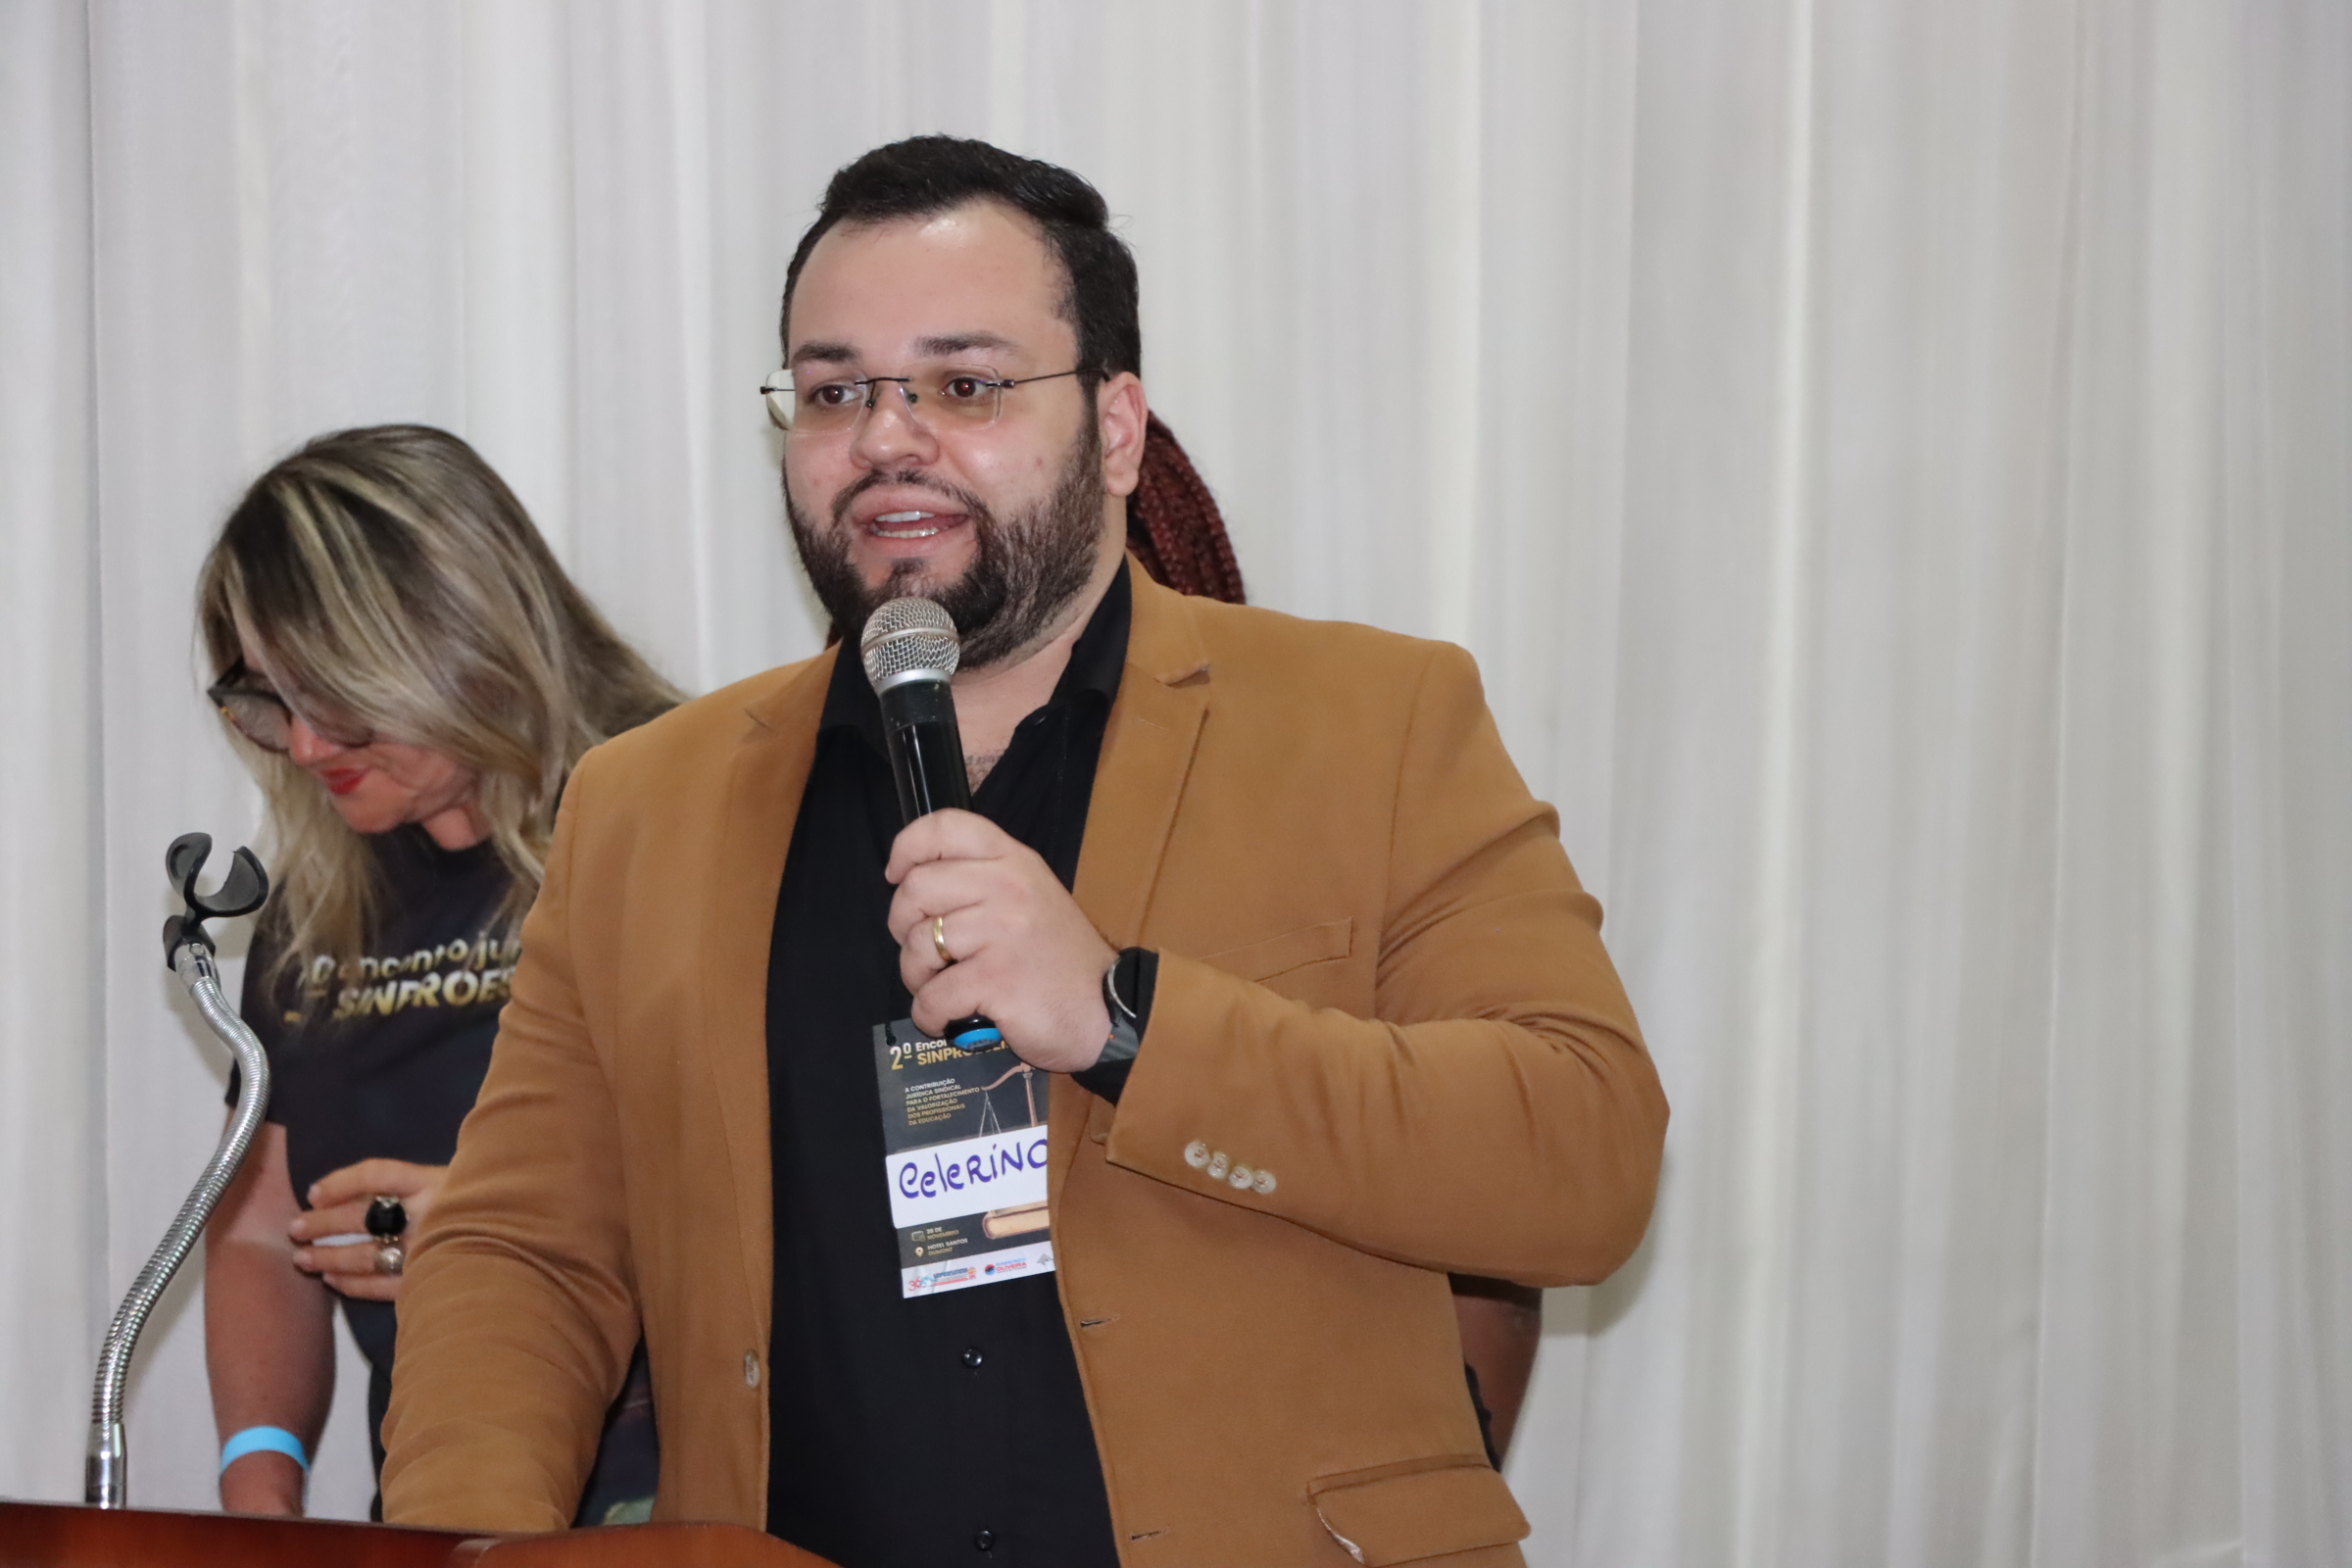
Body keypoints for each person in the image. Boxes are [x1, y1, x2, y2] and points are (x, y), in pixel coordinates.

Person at [382, 139, 1668, 1567]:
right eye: (834, 391)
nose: (887, 439)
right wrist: (469, 1545)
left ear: (1116, 429)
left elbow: (1584, 1158)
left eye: (966, 385)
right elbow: (524, 1251)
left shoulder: (1374, 720)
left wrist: (1125, 1019)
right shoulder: (644, 805)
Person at [196, 424, 680, 1522]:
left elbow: (793, 1178)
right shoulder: (321, 906)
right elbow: (263, 1232)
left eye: (337, 697)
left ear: (459, 635)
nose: (307, 748)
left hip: (682, 1505)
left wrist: (501, 1232)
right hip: (446, 1501)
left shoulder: (671, 810)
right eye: (268, 702)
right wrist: (260, 1493)